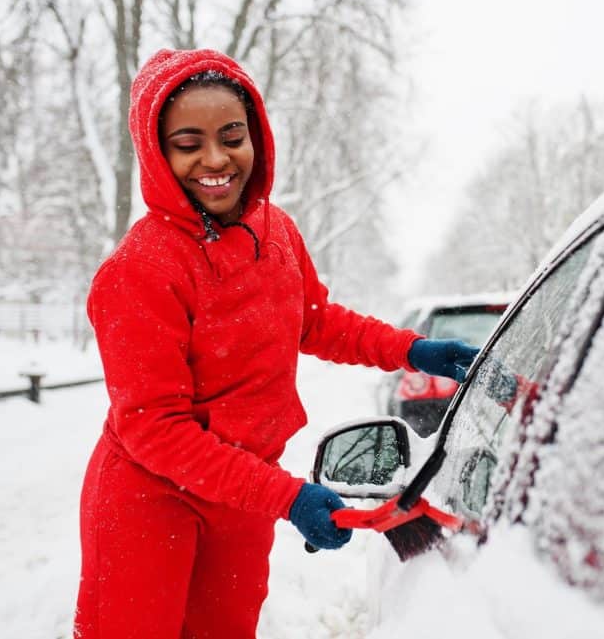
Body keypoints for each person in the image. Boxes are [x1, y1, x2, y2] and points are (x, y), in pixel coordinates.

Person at [73, 48, 479, 639]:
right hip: (151, 498)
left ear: (255, 137)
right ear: (157, 153)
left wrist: (411, 351)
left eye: (231, 136)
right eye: (188, 144)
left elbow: (315, 321)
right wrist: (287, 497)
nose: (215, 159)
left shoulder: (277, 231)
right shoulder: (140, 270)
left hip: (239, 495)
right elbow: (154, 428)